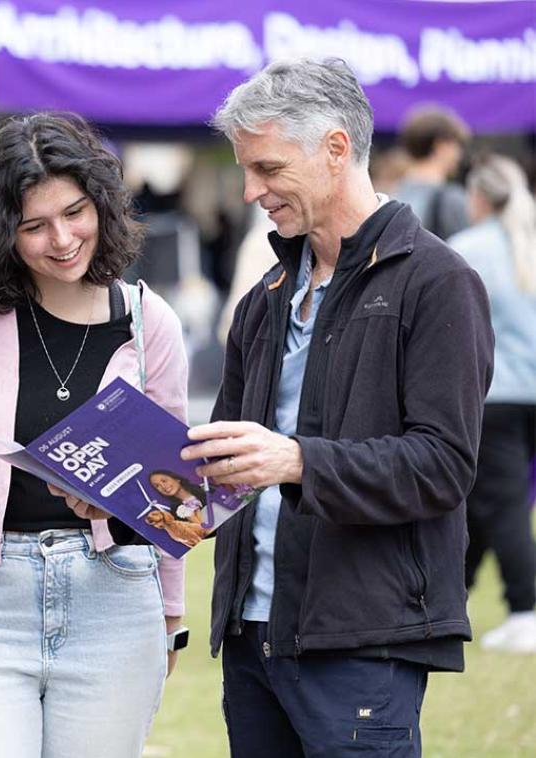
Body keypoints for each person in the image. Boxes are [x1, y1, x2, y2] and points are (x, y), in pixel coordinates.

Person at [184, 59, 493, 757]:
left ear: (334, 148)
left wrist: (297, 460)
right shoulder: (265, 294)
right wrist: (125, 499)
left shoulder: (440, 282)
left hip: (362, 641)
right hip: (251, 634)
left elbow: (443, 466)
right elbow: (232, 468)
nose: (250, 190)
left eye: (266, 167)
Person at [0, 113, 188, 758]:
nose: (63, 239)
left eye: (75, 212)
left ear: (100, 202)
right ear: (2, 232)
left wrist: (171, 612)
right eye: (34, 226)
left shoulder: (149, 322)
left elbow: (174, 492)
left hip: (116, 598)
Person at [448, 154, 536, 654]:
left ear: (477, 197)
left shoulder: (467, 249)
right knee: (484, 502)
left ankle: (525, 610)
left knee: (501, 507)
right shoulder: (527, 243)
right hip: (529, 395)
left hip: (494, 396)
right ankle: (453, 597)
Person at [393, 106, 471, 240]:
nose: (459, 155)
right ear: (441, 145)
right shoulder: (451, 198)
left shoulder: (391, 197)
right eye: (457, 146)